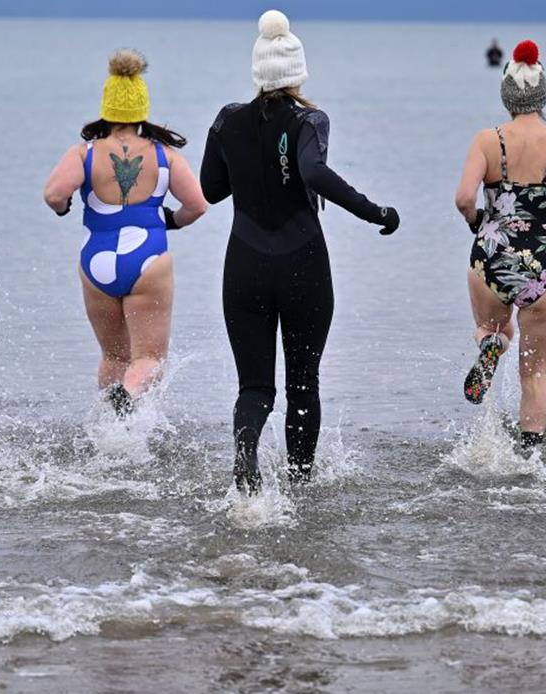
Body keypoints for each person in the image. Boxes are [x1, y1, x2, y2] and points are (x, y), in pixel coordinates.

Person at [200, 10, 401, 493]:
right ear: (297, 72)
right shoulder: (310, 119)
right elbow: (311, 171)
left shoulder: (227, 120)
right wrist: (376, 212)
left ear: (258, 70)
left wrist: (250, 165)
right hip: (302, 268)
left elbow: (211, 189)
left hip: (243, 267)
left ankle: (246, 457)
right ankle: (300, 488)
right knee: (303, 383)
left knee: (254, 388)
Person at [454, 40, 546, 447]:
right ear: (544, 94)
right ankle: (530, 456)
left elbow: (464, 198)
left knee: (492, 325)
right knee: (535, 370)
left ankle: (491, 343)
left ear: (506, 96)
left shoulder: (487, 141)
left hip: (491, 256)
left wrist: (477, 223)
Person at [43, 49, 207, 414]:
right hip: (147, 258)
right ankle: (129, 398)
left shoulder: (84, 153)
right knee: (148, 358)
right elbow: (197, 205)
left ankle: (107, 429)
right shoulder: (165, 156)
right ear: (141, 110)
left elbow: (54, 194)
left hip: (96, 259)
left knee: (113, 356)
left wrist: (64, 208)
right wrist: (171, 221)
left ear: (108, 107)